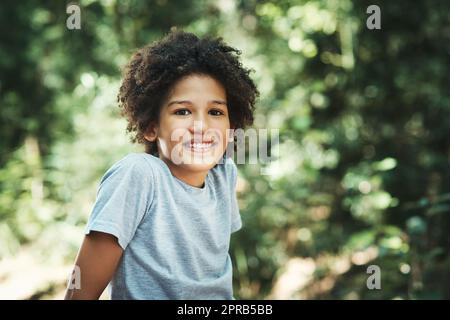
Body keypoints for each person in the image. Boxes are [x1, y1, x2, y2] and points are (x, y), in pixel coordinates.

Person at [64, 30, 259, 299]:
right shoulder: (140, 175)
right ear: (150, 127)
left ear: (230, 128)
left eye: (215, 112)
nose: (201, 127)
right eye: (182, 111)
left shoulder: (224, 176)